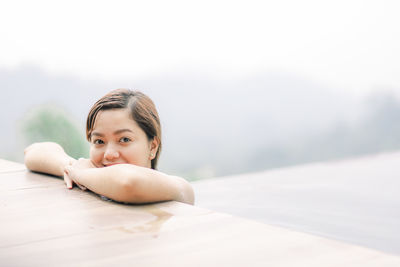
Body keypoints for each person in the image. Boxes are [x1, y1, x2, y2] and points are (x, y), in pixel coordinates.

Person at [24, 89, 194, 205]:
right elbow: (33, 152)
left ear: (152, 147)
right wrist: (70, 167)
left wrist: (82, 173)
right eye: (99, 141)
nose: (109, 154)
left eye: (124, 139)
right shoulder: (90, 175)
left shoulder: (178, 188)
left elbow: (128, 182)